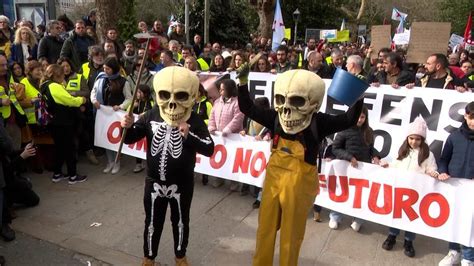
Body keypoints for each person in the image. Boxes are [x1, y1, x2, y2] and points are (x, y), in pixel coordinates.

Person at [237, 67, 363, 266]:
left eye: (297, 102)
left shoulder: (319, 122)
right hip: (274, 179)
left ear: (314, 104)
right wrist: (243, 83)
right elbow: (248, 108)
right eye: (281, 101)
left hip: (299, 183)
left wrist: (357, 95)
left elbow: (348, 119)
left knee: (291, 234)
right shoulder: (275, 117)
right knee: (265, 229)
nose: (287, 109)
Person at [121, 66, 214, 266]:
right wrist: (126, 127)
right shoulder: (150, 115)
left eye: (180, 97)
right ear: (157, 96)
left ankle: (180, 256)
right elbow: (129, 139)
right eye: (165, 96)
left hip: (182, 184)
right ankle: (149, 257)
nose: (172, 105)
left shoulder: (195, 120)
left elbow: (209, 148)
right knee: (152, 222)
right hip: (154, 182)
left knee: (180, 222)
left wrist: (189, 135)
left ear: (192, 97)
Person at [380, 116, 438, 258]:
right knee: (397, 214)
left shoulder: (428, 155)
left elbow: (431, 168)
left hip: (416, 193)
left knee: (411, 217)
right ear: (407, 138)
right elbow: (396, 164)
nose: (414, 141)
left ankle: (408, 241)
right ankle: (392, 236)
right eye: (411, 138)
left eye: (418, 139)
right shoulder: (403, 152)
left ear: (422, 140)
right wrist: (387, 165)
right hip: (400, 190)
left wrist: (432, 173)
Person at [329, 106, 380, 231]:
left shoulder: (369, 131)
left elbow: (370, 148)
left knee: (360, 195)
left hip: (362, 170)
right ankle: (335, 216)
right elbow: (335, 148)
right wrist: (349, 157)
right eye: (357, 116)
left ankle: (358, 219)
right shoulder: (343, 129)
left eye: (362, 117)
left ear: (366, 118)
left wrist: (376, 156)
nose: (359, 119)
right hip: (345, 169)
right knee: (342, 192)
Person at [437, 101, 474, 266]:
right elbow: (444, 159)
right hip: (454, 188)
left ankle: (468, 257)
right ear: (466, 116)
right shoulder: (454, 137)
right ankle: (453, 252)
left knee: (470, 223)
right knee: (454, 220)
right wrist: (443, 171)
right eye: (472, 117)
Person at [41, 64, 87, 184]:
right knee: (69, 149)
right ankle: (72, 176)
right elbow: (69, 100)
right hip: (63, 122)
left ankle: (57, 174)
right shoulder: (54, 86)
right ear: (57, 75)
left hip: (55, 122)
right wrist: (82, 100)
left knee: (59, 149)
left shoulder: (45, 85)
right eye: (62, 74)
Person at [90, 57, 132, 174]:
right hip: (103, 114)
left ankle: (117, 161)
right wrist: (94, 101)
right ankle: (110, 162)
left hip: (116, 115)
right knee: (105, 138)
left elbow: (129, 98)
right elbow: (93, 91)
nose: (105, 70)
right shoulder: (100, 79)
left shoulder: (124, 82)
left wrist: (120, 106)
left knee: (115, 139)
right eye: (104, 68)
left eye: (107, 69)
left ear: (114, 69)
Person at [58, 57, 98, 165]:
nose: (65, 68)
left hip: (78, 110)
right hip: (65, 112)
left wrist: (74, 93)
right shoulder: (57, 80)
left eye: (67, 66)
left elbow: (86, 92)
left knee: (83, 132)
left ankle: (90, 154)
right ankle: (73, 156)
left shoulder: (79, 77)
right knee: (71, 135)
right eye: (63, 67)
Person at [208, 79, 245, 190]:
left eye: (223, 89)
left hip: (232, 137)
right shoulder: (217, 102)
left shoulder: (237, 102)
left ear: (229, 90)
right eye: (220, 89)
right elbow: (212, 116)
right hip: (219, 137)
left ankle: (234, 182)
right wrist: (211, 127)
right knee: (219, 158)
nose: (220, 91)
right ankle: (218, 179)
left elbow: (238, 118)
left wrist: (228, 129)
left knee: (233, 160)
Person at [238, 97, 271, 208]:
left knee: (258, 170)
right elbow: (246, 126)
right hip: (250, 146)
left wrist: (264, 136)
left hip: (261, 149)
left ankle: (258, 194)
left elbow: (271, 131)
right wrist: (244, 131)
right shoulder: (250, 116)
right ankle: (246, 186)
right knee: (247, 167)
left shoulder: (269, 118)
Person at [130, 84, 154, 173]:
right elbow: (128, 112)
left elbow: (153, 112)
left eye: (139, 92)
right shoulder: (136, 102)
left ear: (145, 93)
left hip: (148, 127)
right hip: (139, 126)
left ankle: (150, 164)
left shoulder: (150, 102)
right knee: (138, 144)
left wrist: (144, 114)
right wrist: (133, 107)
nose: (137, 94)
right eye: (137, 92)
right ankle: (138, 163)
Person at [193, 84, 213, 185]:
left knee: (204, 155)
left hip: (203, 132)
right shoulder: (192, 104)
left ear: (199, 92)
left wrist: (201, 122)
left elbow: (211, 119)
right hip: (193, 132)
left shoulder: (208, 104)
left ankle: (205, 176)